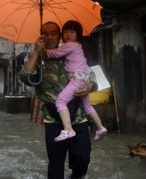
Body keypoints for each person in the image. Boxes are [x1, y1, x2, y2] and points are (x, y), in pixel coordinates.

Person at [19, 22, 97, 179]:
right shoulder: (38, 59)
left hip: (78, 115)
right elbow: (25, 77)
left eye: (53, 33)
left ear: (59, 35)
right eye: (45, 33)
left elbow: (91, 74)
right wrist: (36, 52)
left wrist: (90, 85)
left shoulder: (70, 51)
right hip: (53, 118)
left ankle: (75, 174)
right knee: (55, 164)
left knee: (83, 159)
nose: (49, 37)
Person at [44, 20, 107, 142]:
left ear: (77, 34)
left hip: (76, 79)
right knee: (88, 106)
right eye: (66, 32)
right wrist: (88, 81)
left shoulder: (70, 46)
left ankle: (68, 129)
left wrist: (43, 51)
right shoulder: (78, 48)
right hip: (83, 78)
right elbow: (86, 68)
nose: (68, 34)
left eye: (72, 32)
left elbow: (56, 53)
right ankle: (100, 127)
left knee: (61, 101)